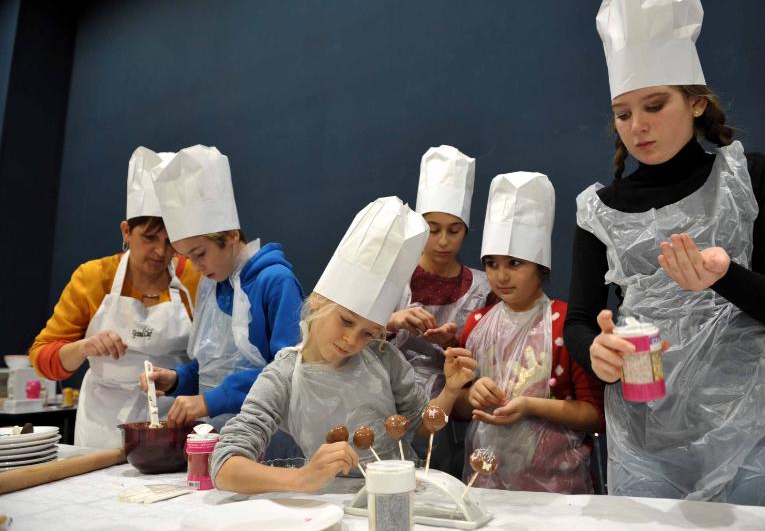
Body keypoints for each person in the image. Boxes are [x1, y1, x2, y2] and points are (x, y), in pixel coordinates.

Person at [564, 0, 765, 505]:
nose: (637, 126)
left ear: (695, 103)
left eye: (655, 106)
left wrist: (725, 276)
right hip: (646, 433)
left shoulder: (749, 177)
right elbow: (580, 321)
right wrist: (595, 353)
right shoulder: (599, 211)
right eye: (623, 114)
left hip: (754, 424)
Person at [210, 196, 477, 494]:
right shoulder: (283, 376)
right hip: (328, 502)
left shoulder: (384, 357)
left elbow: (423, 426)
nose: (352, 341)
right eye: (346, 321)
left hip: (399, 491)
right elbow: (224, 467)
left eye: (368, 333)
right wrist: (300, 478)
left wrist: (452, 390)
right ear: (318, 301)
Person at [28, 147, 200, 448]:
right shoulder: (94, 278)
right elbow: (43, 359)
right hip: (102, 426)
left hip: (174, 422)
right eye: (149, 238)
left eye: (170, 241)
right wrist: (83, 347)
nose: (161, 252)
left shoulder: (193, 278)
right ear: (126, 231)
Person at [454, 172, 603, 493]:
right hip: (486, 485)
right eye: (491, 264)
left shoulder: (566, 323)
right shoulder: (477, 325)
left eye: (514, 263)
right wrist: (471, 393)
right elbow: (462, 410)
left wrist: (531, 405)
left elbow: (594, 415)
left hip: (558, 488)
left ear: (541, 267)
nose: (501, 276)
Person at [141, 145, 304, 436]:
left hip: (269, 437)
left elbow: (289, 372)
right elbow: (212, 368)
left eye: (199, 253)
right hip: (216, 437)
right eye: (188, 257)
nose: (195, 266)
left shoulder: (275, 281)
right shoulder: (211, 285)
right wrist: (177, 380)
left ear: (230, 235)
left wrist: (211, 400)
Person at [388, 145, 493, 476]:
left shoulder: (482, 289)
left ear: (466, 230)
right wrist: (391, 322)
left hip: (448, 417)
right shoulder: (391, 275)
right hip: (386, 403)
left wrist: (454, 345)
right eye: (433, 229)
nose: (443, 241)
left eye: (454, 230)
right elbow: (351, 335)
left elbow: (486, 365)